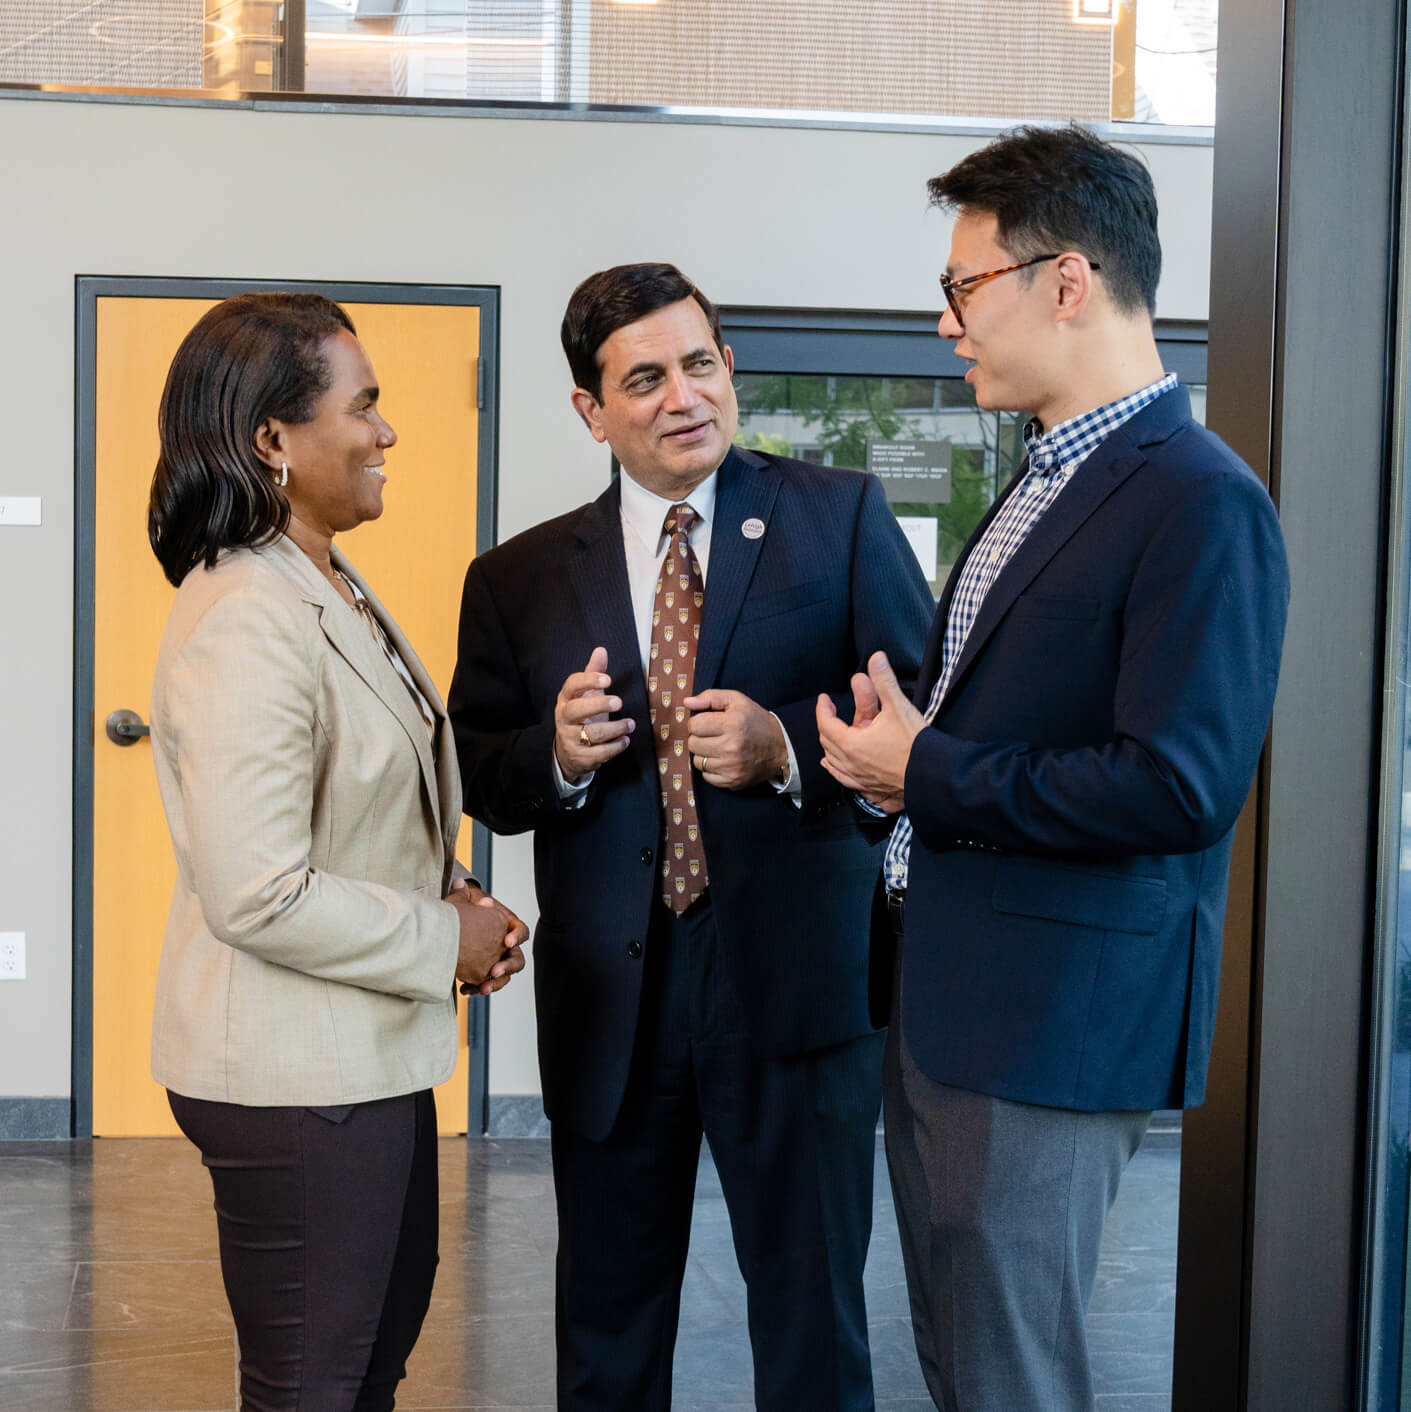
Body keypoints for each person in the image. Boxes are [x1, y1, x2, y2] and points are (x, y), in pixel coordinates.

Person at [817, 124, 1290, 1412]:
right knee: (963, 1359)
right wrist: (892, 765)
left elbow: (1178, 786)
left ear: (1065, 281)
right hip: (955, 996)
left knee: (1009, 1371)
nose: (947, 326)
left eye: (963, 289)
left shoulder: (1198, 500)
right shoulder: (1043, 475)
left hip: (1049, 1020)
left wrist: (929, 771)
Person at [447, 262, 933, 1411]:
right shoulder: (515, 577)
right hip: (613, 995)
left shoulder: (841, 515)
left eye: (701, 363)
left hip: (797, 985)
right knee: (607, 1328)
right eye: (647, 376)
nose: (684, 396)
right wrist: (560, 754)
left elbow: (922, 725)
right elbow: (482, 769)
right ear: (590, 408)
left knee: (812, 1318)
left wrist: (789, 757)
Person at [146, 291, 528, 1412]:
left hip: (360, 1058)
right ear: (273, 439)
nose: (386, 430)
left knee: (360, 1371)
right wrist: (439, 934)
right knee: (313, 1385)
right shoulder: (247, 614)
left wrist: (447, 887)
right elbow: (257, 888)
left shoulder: (323, 582)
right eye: (364, 405)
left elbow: (349, 799)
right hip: (292, 1078)